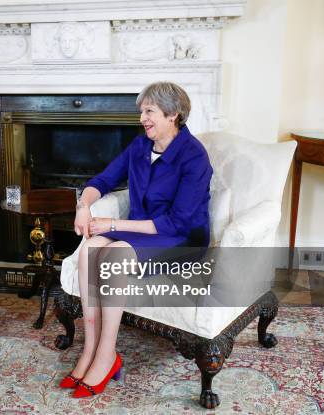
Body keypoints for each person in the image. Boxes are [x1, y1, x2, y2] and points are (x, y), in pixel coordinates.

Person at [62, 82, 212, 397]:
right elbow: (103, 180)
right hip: (143, 229)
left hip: (182, 238)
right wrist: (84, 206)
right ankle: (89, 351)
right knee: (90, 249)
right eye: (141, 111)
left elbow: (178, 221)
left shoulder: (194, 156)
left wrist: (113, 223)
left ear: (173, 114)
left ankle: (107, 355)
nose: (142, 118)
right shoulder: (140, 145)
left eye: (149, 111)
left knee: (114, 256)